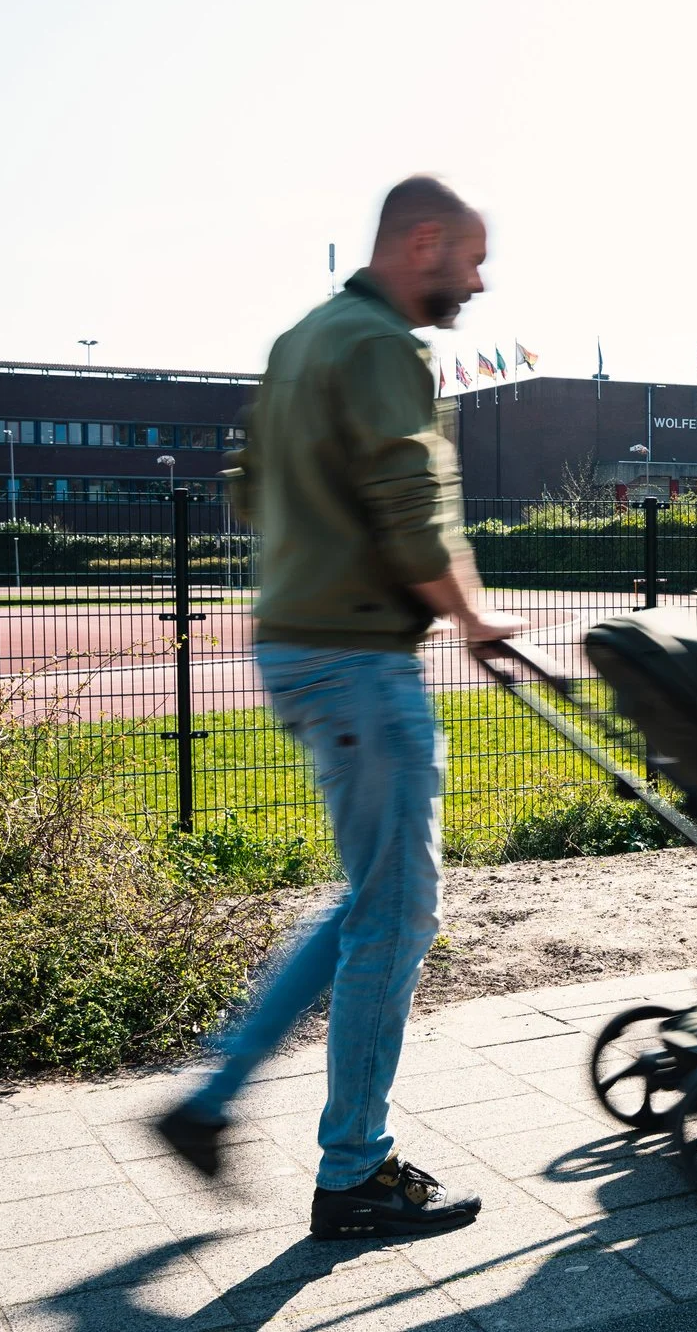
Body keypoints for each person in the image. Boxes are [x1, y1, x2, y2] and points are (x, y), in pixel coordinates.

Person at [153, 176, 518, 1242]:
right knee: (399, 914)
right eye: (472, 258)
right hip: (362, 659)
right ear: (421, 242)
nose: (479, 280)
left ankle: (213, 1100)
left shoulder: (302, 339)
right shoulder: (385, 347)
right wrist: (472, 619)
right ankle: (354, 1173)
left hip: (297, 646)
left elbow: (247, 490)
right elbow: (413, 505)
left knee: (373, 899)